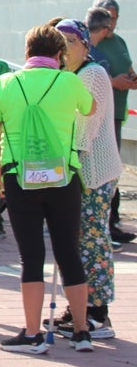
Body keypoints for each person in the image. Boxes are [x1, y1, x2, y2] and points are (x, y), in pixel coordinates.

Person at [0, 24, 95, 353]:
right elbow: (90, 109)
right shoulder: (70, 81)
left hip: (19, 177)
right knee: (69, 253)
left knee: (31, 256)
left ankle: (32, 332)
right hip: (63, 177)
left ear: (27, 53)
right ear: (59, 54)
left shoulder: (6, 83)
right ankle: (82, 331)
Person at [53, 19, 122, 339]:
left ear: (85, 44)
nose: (65, 47)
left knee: (92, 241)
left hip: (91, 172)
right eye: (59, 41)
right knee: (76, 241)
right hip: (74, 170)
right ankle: (78, 308)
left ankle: (97, 313)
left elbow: (85, 128)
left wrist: (67, 161)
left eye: (71, 41)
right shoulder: (67, 75)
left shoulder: (91, 74)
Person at [88, 0, 137, 245]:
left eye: (114, 18)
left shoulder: (119, 42)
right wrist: (114, 82)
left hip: (116, 114)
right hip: (96, 118)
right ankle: (101, 227)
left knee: (113, 170)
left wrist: (130, 79)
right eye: (107, 18)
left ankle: (112, 223)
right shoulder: (87, 44)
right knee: (101, 170)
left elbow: (128, 69)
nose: (111, 23)